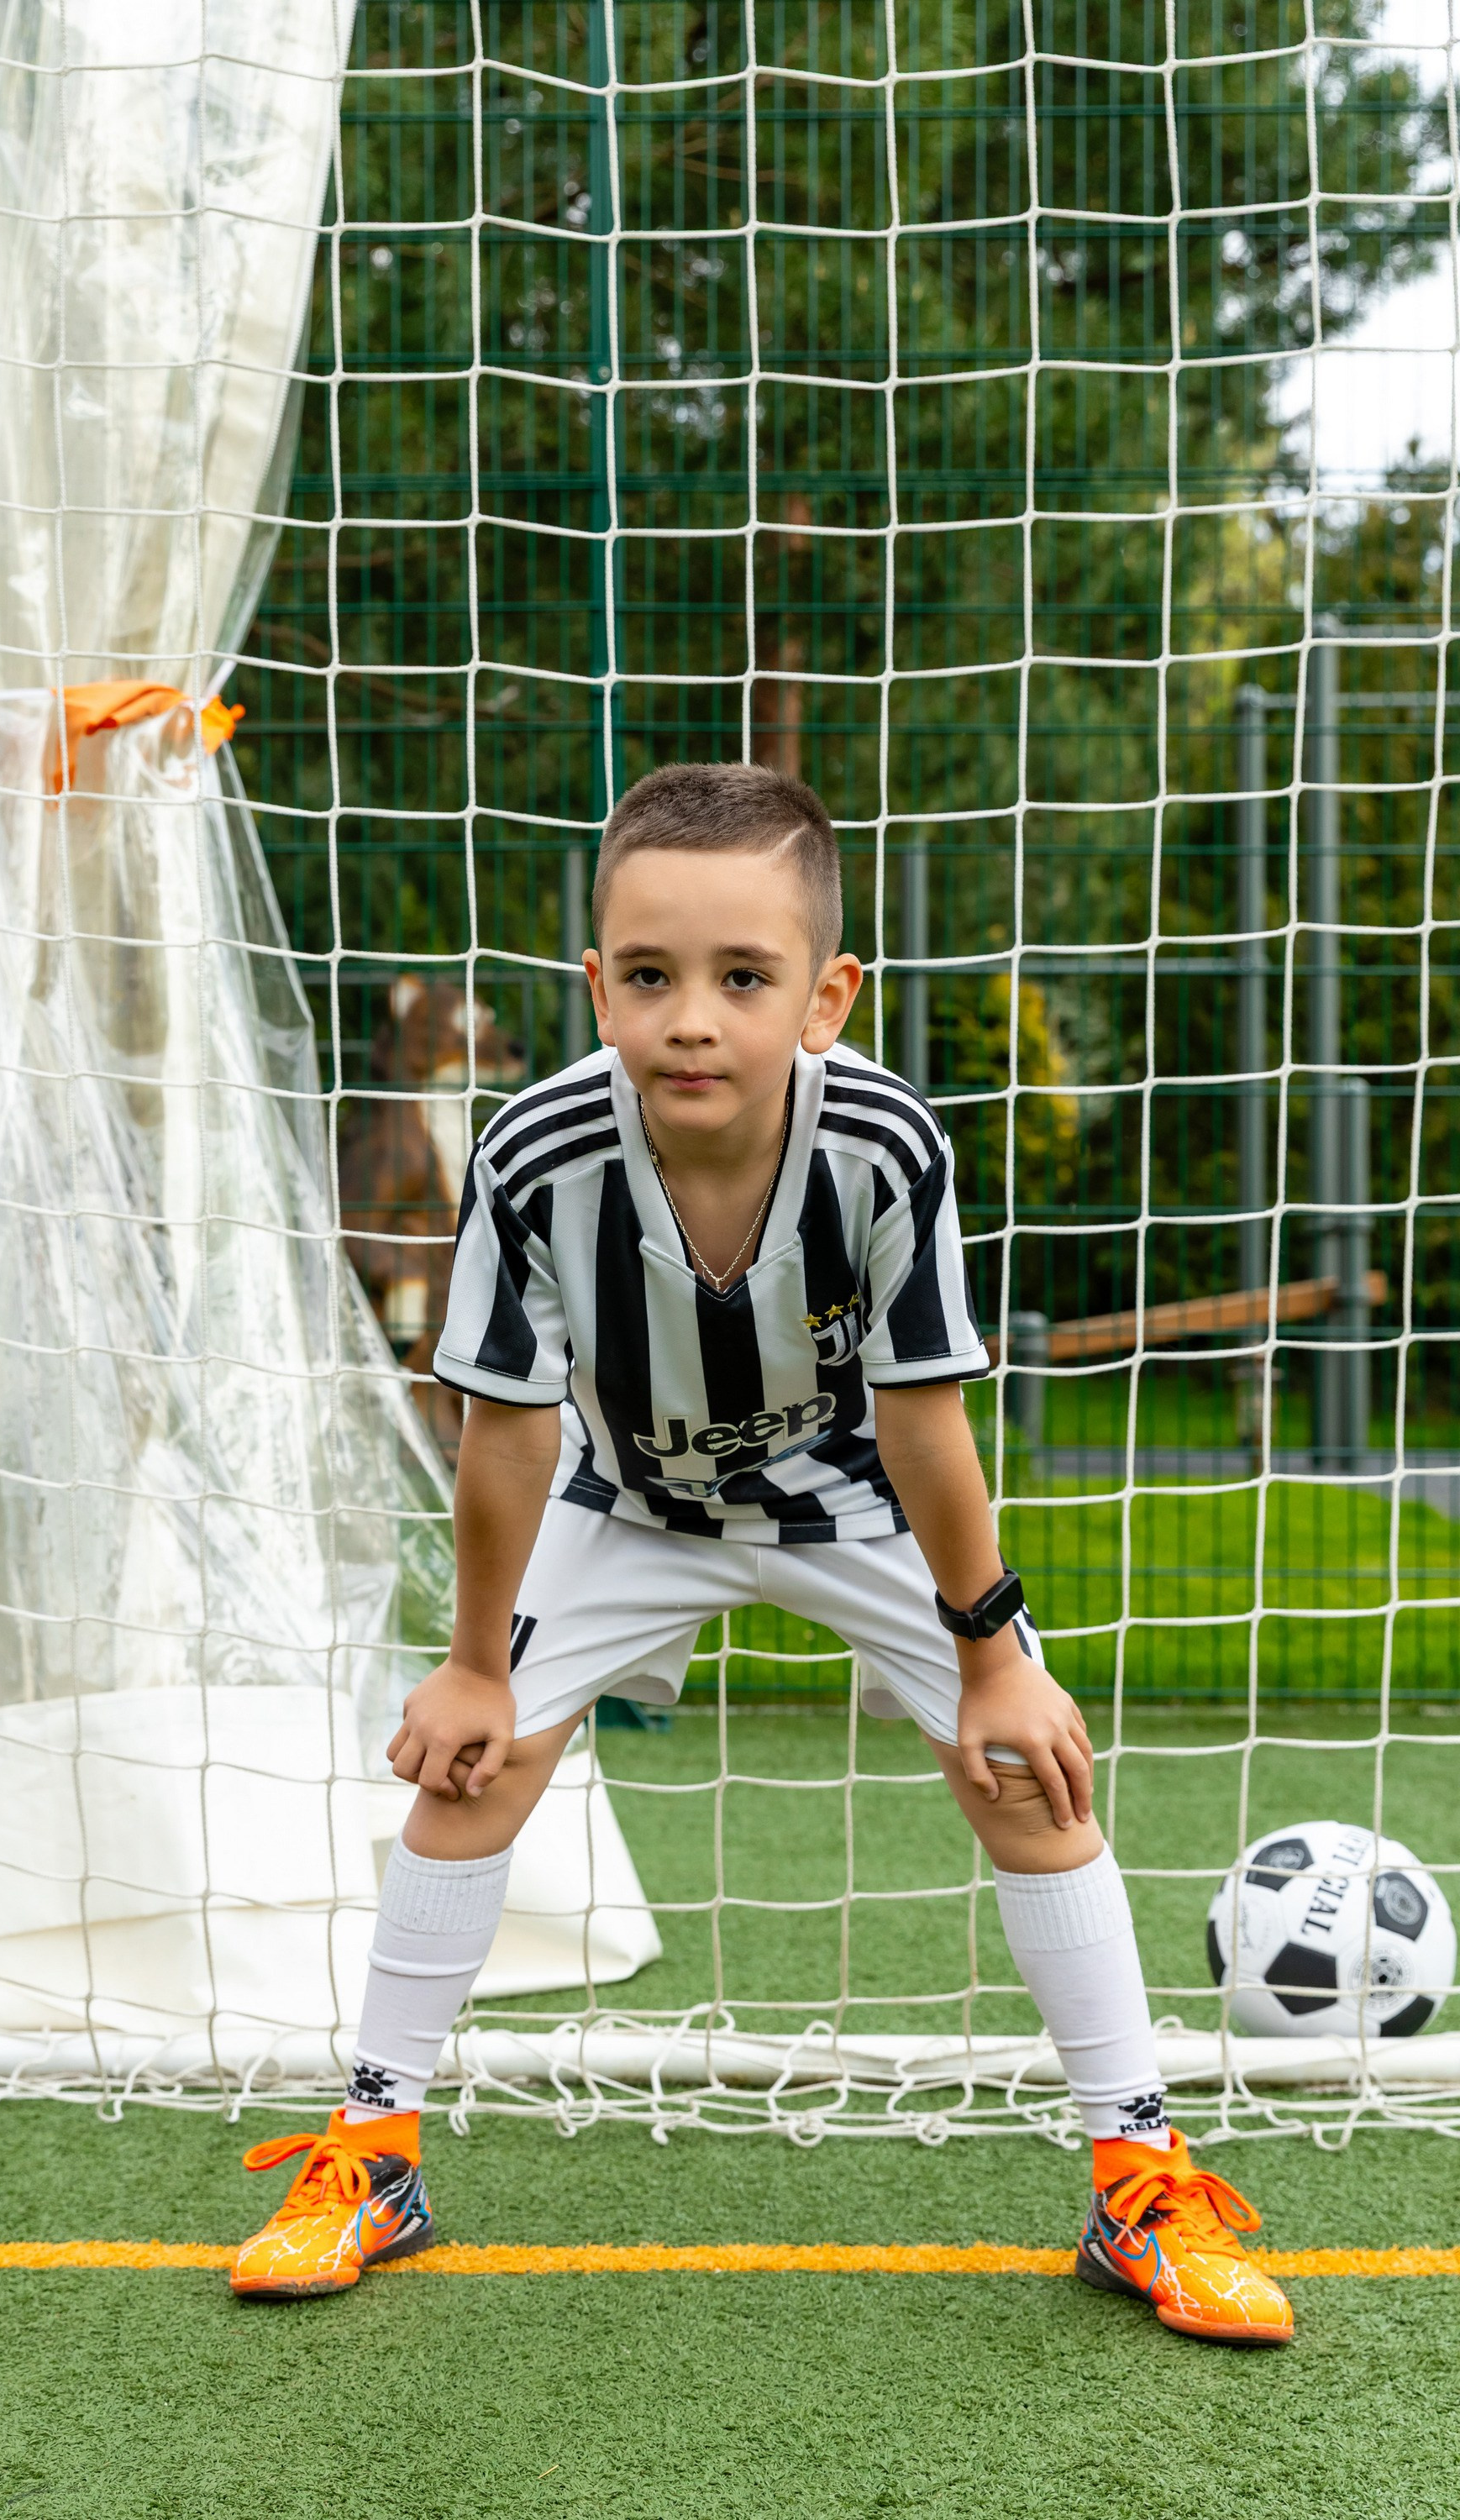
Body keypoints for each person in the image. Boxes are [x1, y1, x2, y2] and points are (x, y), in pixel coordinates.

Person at [231, 762, 1291, 2346]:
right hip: (624, 1506)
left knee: (1026, 1775)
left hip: (848, 1494)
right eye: (649, 977)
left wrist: (995, 1656)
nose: (691, 1019)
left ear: (825, 997)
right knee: (475, 1767)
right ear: (596, 984)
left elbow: (931, 1427)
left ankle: (1137, 2175)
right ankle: (374, 2155)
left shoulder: (885, 1145)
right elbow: (505, 1431)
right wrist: (469, 1666)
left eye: (744, 978)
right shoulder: (531, 1158)